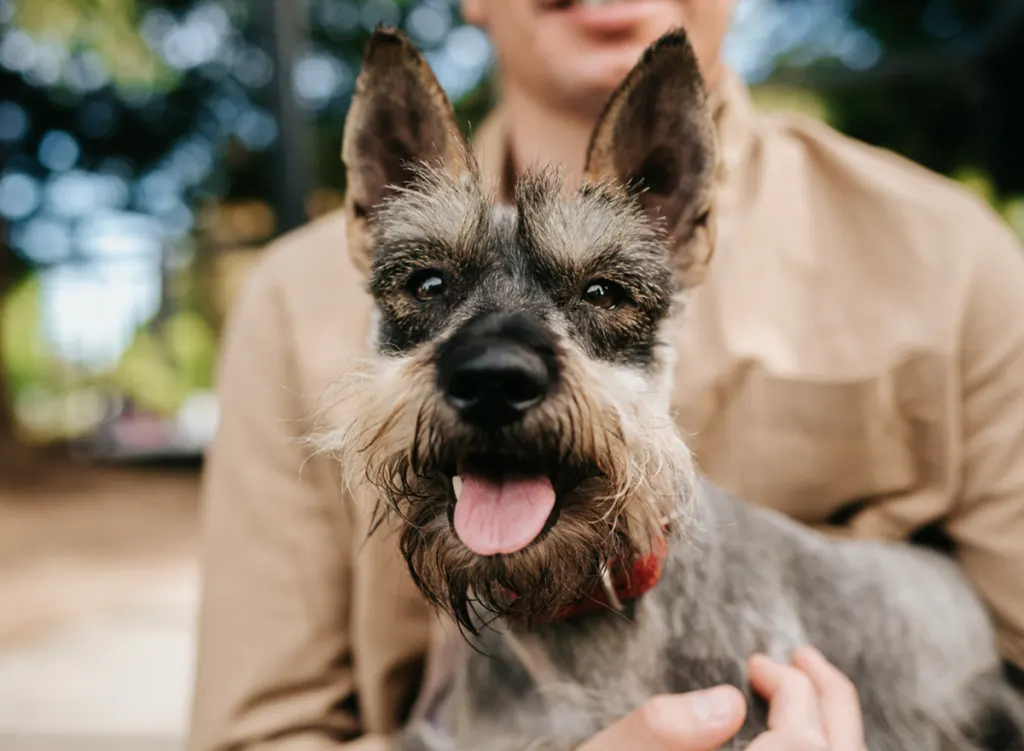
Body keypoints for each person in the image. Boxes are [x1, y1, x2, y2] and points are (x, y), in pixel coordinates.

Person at [186, 1, 1024, 749]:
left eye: (605, 291)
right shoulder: (287, 301)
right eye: (429, 285)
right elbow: (261, 729)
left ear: (683, 213)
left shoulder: (952, 256)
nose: (494, 362)